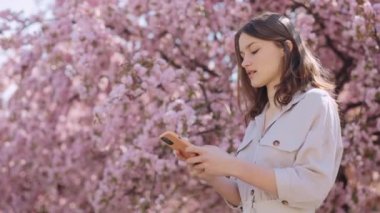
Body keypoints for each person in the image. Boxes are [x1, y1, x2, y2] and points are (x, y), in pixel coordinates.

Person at [174, 12, 343, 213]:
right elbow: (246, 198)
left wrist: (231, 165)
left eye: (254, 50)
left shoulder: (316, 103)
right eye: (242, 56)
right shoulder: (258, 120)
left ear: (286, 48)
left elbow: (311, 188)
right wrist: (212, 174)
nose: (244, 63)